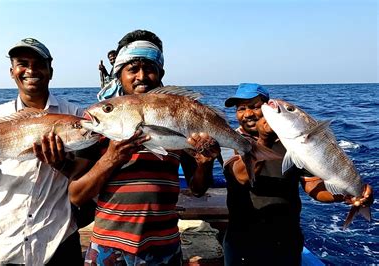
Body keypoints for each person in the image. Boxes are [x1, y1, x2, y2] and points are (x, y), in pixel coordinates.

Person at [69, 29, 220, 265]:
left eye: (149, 68)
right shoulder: (99, 123)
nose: (141, 76)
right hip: (109, 246)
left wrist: (204, 164)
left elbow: (198, 189)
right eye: (132, 69)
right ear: (119, 74)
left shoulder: (178, 117)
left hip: (165, 245)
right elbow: (76, 195)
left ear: (161, 73)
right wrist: (111, 158)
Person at [0, 38, 87, 265]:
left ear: (50, 70)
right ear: (12, 72)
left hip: (58, 240)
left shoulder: (75, 115)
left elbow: (85, 178)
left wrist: (62, 163)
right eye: (22, 63)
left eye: (39, 63)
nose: (31, 70)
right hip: (5, 242)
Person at [222, 83, 374, 266]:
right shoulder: (229, 140)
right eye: (241, 109)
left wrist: (345, 196)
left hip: (286, 239)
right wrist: (265, 140)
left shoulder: (293, 145)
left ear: (266, 108)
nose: (248, 114)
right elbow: (241, 177)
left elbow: (313, 188)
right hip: (242, 240)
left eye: (255, 106)